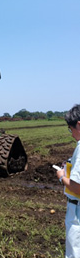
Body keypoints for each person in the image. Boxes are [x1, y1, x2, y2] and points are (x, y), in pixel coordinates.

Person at [56, 104, 80, 257]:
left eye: (70, 129)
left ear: (79, 124)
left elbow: (77, 188)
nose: (71, 134)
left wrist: (61, 177)